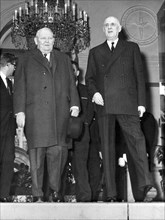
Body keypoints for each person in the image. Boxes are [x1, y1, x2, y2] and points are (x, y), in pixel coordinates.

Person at [85, 16, 157, 202]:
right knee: (107, 149)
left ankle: (145, 183)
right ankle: (110, 193)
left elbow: (140, 76)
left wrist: (141, 103)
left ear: (119, 29)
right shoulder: (95, 51)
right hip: (104, 104)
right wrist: (94, 93)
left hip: (127, 103)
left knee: (138, 140)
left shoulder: (131, 48)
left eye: (112, 25)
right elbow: (90, 79)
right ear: (104, 29)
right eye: (106, 25)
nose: (109, 27)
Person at [13, 27, 80, 202]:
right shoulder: (25, 59)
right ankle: (37, 194)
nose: (47, 41)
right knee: (36, 157)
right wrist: (19, 111)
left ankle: (55, 191)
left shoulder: (63, 59)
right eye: (43, 38)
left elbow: (71, 84)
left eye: (50, 38)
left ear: (54, 40)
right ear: (36, 40)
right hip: (35, 115)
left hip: (59, 115)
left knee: (57, 155)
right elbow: (19, 87)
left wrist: (74, 105)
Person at [71, 61, 94, 202]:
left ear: (78, 73)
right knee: (59, 166)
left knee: (80, 166)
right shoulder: (60, 89)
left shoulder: (86, 90)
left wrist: (83, 124)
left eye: (73, 70)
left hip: (82, 135)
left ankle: (84, 198)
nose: (71, 72)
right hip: (64, 135)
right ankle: (57, 197)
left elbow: (91, 111)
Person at [0, 53, 17, 202]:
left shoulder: (10, 84)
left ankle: (3, 194)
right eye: (14, 65)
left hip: (9, 130)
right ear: (7, 65)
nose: (14, 68)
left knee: (8, 160)